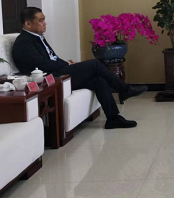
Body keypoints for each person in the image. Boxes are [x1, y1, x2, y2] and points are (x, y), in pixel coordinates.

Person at [12, 7, 147, 129]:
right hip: (49, 79)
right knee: (95, 64)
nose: (45, 23)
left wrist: (66, 63)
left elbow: (52, 58)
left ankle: (113, 119)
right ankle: (125, 90)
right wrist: (66, 65)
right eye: (41, 20)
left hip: (56, 72)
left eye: (44, 20)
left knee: (99, 80)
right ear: (28, 24)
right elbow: (41, 64)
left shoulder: (36, 37)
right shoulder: (24, 42)